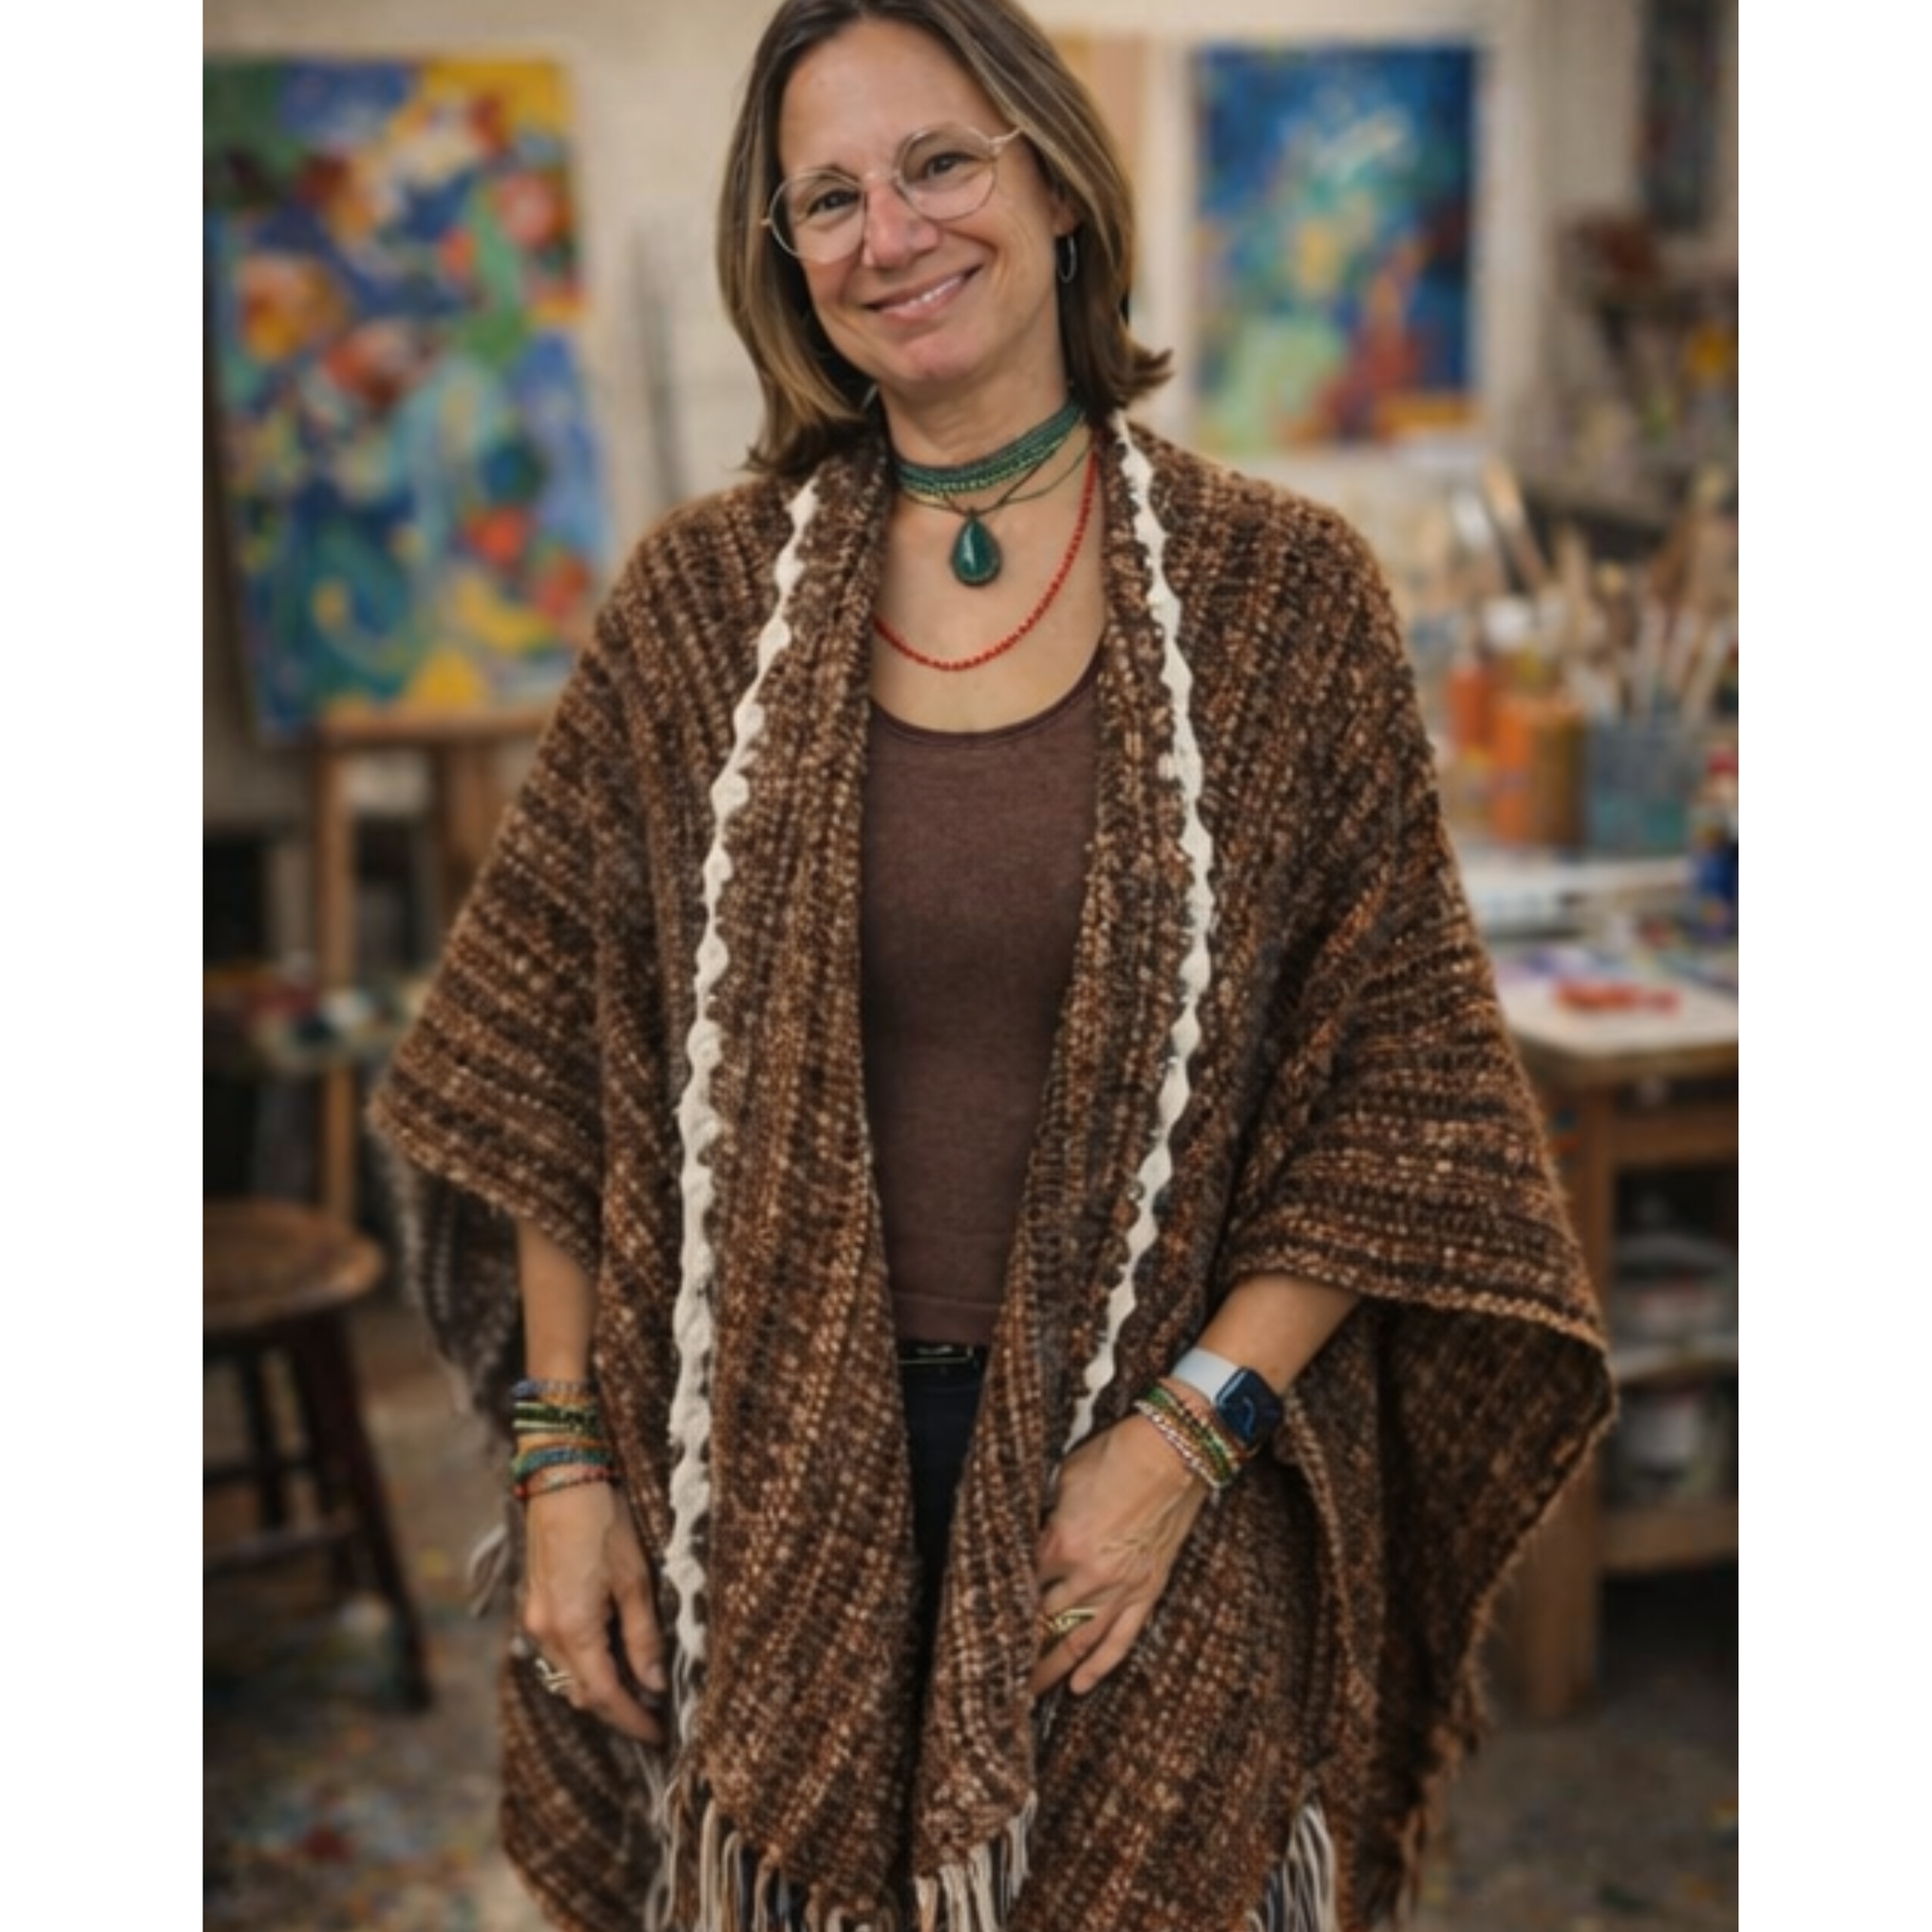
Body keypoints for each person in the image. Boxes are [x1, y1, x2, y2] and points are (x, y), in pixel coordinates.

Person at [370, 1, 1613, 1927]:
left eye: (938, 162)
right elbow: (559, 1070)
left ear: (1049, 176)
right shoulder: (693, 610)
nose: (892, 232)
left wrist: (1185, 1443)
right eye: (828, 198)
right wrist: (561, 1462)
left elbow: (1395, 1092)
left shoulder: (1282, 598)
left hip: (1160, 1465)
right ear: (783, 255)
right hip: (754, 1474)